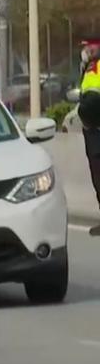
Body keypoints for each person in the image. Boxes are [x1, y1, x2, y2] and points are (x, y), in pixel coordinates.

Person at [78, 40, 100, 236]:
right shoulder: (89, 68)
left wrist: (83, 114)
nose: (85, 51)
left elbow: (92, 100)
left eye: (89, 47)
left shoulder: (95, 67)